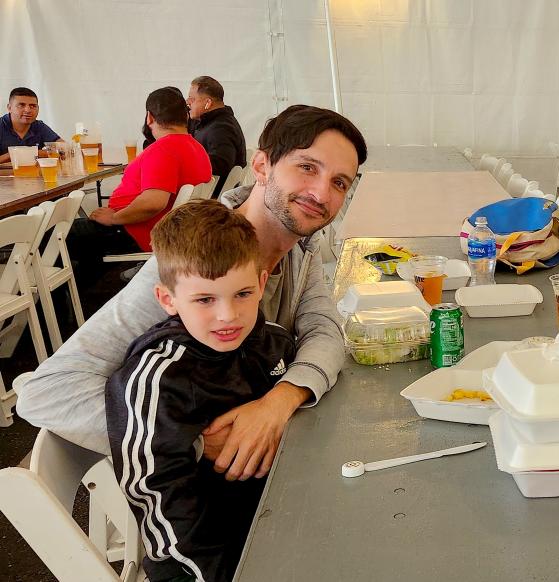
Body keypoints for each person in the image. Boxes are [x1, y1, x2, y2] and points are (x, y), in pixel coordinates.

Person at [18, 104, 367, 484]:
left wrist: (281, 399)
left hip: (264, 470)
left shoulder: (299, 246)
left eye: (339, 182)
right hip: (194, 499)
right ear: (262, 166)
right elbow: (47, 392)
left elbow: (324, 330)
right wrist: (196, 440)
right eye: (308, 167)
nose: (321, 193)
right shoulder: (195, 266)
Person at [107, 200, 293, 582]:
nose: (228, 315)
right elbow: (158, 497)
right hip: (206, 564)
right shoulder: (158, 378)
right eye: (205, 299)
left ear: (261, 284)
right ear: (167, 300)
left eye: (242, 294)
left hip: (279, 526)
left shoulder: (274, 343)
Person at [67, 87, 211, 285]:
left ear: (149, 117)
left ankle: (61, 302)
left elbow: (153, 203)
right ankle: (89, 288)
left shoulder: (163, 149)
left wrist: (114, 218)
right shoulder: (197, 147)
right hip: (167, 230)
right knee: (77, 239)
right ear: (185, 116)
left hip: (137, 231)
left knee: (57, 235)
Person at [188, 75, 247, 193]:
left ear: (208, 103)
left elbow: (221, 165)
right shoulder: (211, 123)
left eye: (192, 99)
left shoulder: (221, 128)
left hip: (211, 197)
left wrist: (186, 162)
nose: (188, 103)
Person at [0, 87, 61, 164]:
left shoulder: (39, 126)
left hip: (33, 171)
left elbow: (63, 150)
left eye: (32, 106)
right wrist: (11, 155)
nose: (28, 110)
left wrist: (19, 154)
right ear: (9, 108)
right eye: (21, 105)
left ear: (38, 108)